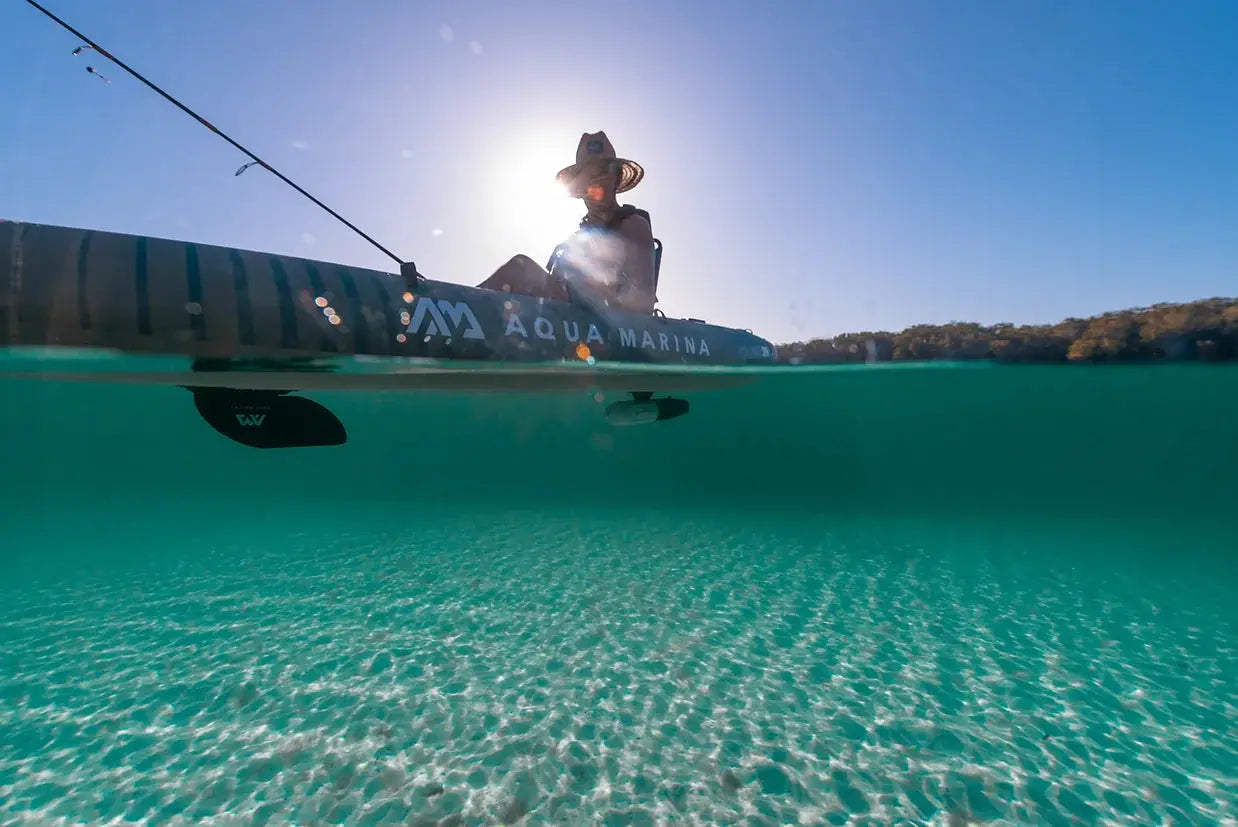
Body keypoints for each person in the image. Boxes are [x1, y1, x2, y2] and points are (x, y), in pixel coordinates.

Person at [476, 131, 658, 314]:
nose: (596, 185)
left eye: (603, 173)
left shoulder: (633, 226)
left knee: (520, 270)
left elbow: (642, 306)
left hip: (598, 324)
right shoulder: (577, 239)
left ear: (615, 178)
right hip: (560, 319)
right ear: (580, 187)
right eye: (588, 178)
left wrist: (598, 296)